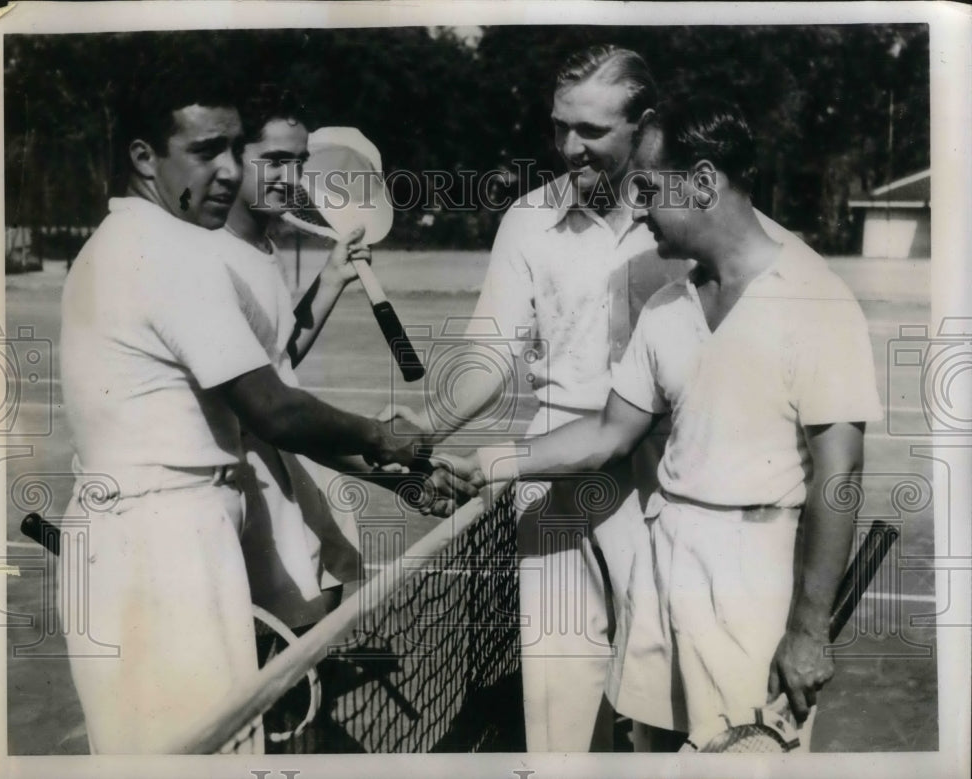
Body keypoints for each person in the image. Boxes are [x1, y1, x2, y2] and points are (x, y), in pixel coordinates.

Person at [439, 95, 883, 749]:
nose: (637, 206)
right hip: (660, 574)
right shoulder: (668, 306)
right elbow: (606, 434)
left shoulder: (818, 301)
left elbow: (839, 474)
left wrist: (809, 628)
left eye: (648, 188)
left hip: (754, 588)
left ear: (704, 182)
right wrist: (493, 462)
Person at [58, 53, 431, 754]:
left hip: (134, 534)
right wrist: (387, 441)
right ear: (144, 156)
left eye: (235, 148)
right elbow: (274, 409)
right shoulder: (176, 253)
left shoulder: (117, 241)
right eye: (206, 151)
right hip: (169, 544)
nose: (229, 170)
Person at [385, 44, 682, 752]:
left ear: (644, 126)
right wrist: (421, 430)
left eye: (591, 132)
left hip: (661, 482)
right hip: (548, 481)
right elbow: (490, 354)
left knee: (664, 706)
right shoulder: (527, 218)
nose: (569, 149)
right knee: (559, 708)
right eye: (559, 128)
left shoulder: (686, 215)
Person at [212, 89, 464, 750]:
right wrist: (395, 464)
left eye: (299, 162)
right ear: (233, 158)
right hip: (255, 517)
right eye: (273, 160)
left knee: (299, 698)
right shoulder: (211, 259)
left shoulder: (259, 252)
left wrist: (326, 283)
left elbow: (275, 365)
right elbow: (276, 411)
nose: (290, 179)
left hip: (292, 502)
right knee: (282, 708)